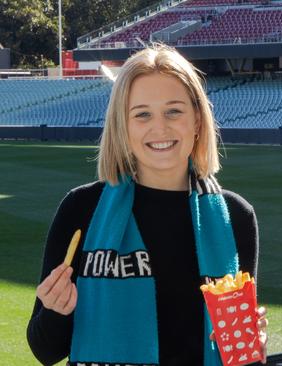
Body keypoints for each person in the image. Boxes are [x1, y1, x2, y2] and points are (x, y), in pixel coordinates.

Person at [27, 45, 267, 366]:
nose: (160, 128)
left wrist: (250, 342)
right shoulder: (82, 208)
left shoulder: (235, 217)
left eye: (174, 111)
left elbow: (242, 355)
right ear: (122, 127)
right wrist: (57, 309)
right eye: (142, 114)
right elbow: (45, 350)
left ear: (197, 119)